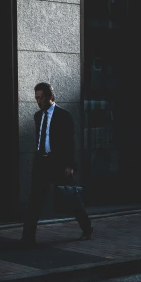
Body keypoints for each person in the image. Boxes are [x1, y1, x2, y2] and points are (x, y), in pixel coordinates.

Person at [21, 82, 93, 247]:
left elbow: (69, 142)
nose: (38, 102)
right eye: (36, 98)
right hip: (41, 162)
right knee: (34, 201)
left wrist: (70, 165)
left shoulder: (63, 115)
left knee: (71, 197)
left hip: (58, 164)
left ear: (51, 97)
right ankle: (27, 238)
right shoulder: (38, 116)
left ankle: (87, 227)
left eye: (41, 98)